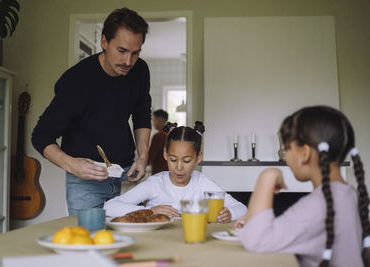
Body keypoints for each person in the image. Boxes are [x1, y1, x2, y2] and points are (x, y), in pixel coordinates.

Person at [31, 8, 152, 215]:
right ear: (104, 42)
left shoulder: (140, 70)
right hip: (85, 183)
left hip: (126, 176)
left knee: (130, 241)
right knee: (87, 243)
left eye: (135, 53)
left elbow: (141, 115)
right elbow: (41, 136)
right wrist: (71, 165)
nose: (128, 62)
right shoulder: (77, 81)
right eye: (121, 51)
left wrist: (142, 157)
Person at [236, 106, 368, 267]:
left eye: (288, 148)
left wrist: (267, 176)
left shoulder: (322, 203)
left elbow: (255, 241)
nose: (286, 156)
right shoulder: (347, 194)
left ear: (305, 154)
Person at [105, 121, 247, 223]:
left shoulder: (202, 182)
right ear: (165, 155)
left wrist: (230, 214)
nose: (179, 167)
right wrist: (151, 211)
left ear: (198, 158)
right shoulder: (156, 183)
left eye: (186, 161)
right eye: (173, 160)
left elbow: (241, 208)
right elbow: (110, 207)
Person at [147, 109, 169, 175]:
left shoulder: (159, 136)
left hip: (159, 170)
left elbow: (151, 155)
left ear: (160, 120)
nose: (153, 123)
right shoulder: (169, 134)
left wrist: (142, 163)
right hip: (168, 169)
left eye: (154, 120)